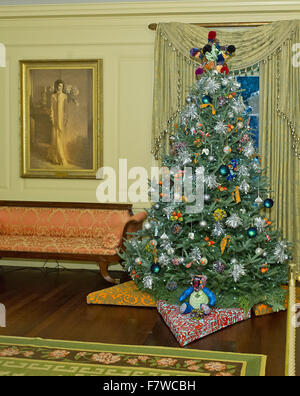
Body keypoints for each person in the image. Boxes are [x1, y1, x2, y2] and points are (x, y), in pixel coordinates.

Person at [47, 79, 68, 166]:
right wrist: (52, 118)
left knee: (60, 138)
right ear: (56, 86)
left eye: (61, 86)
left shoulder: (65, 96)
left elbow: (66, 110)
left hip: (62, 119)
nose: (60, 87)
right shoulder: (53, 96)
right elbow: (51, 108)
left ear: (63, 87)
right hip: (55, 119)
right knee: (55, 138)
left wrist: (66, 119)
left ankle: (56, 157)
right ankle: (57, 158)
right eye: (58, 86)